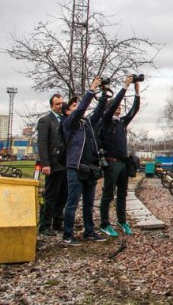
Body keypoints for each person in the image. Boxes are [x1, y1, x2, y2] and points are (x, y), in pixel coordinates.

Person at [61, 77, 107, 246]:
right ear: (67, 112)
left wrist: (103, 94)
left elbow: (99, 112)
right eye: (73, 106)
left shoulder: (86, 124)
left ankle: (89, 231)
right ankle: (67, 234)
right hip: (75, 167)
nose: (78, 108)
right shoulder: (69, 123)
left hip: (90, 168)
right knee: (72, 203)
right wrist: (91, 89)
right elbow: (81, 109)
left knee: (88, 203)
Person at [98, 75, 140, 237]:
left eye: (120, 108)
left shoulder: (121, 123)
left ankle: (122, 221)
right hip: (111, 162)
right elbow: (114, 103)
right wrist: (125, 86)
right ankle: (104, 223)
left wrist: (136, 92)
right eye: (116, 108)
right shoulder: (106, 121)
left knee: (122, 193)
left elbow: (134, 110)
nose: (119, 109)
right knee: (108, 194)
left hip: (123, 163)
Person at [37, 93, 67, 236]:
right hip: (53, 164)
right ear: (52, 106)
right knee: (51, 195)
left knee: (63, 195)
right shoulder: (45, 121)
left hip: (65, 164)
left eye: (62, 103)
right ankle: (45, 224)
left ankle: (58, 222)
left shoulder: (66, 120)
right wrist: (45, 164)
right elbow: (42, 144)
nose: (60, 106)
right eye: (57, 104)